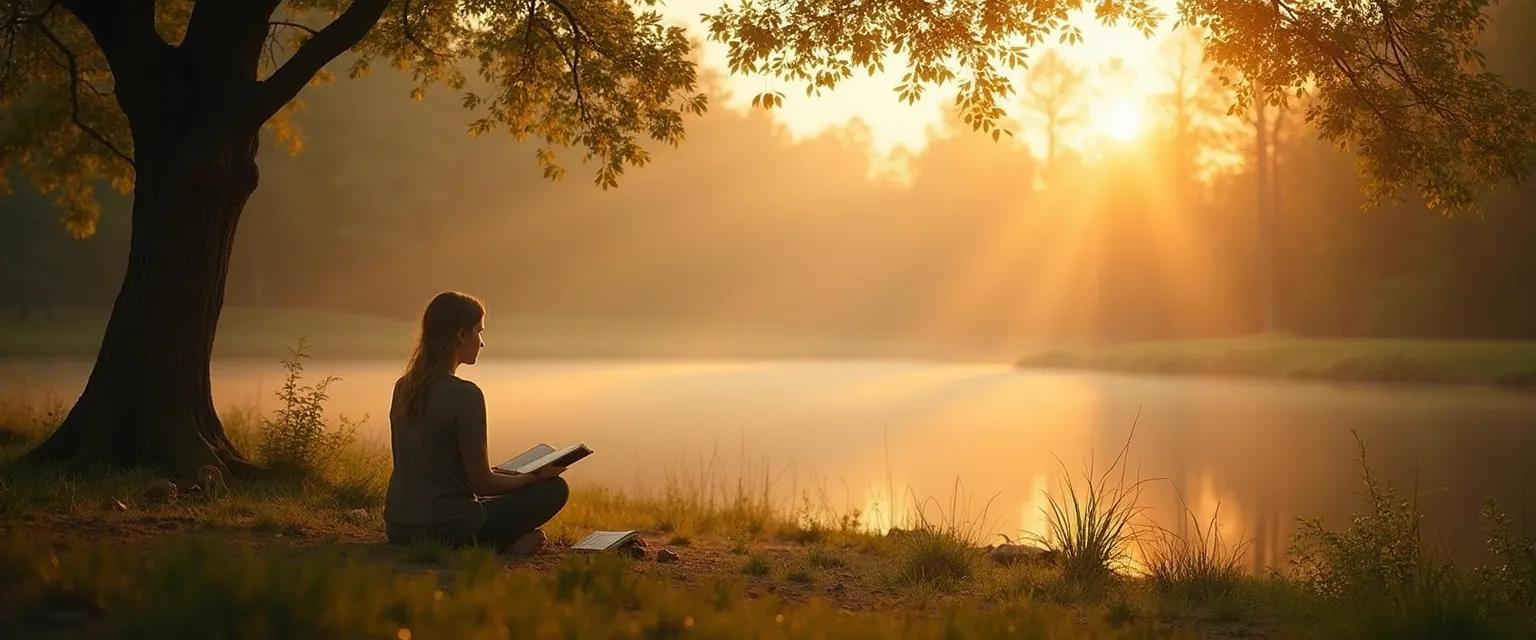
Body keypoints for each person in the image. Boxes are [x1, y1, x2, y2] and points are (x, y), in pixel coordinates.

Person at [384, 291, 568, 554]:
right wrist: (535, 477)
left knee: (484, 499)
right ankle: (502, 547)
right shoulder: (466, 395)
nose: (482, 343)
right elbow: (483, 484)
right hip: (448, 526)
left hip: (399, 526)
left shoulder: (403, 388)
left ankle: (501, 541)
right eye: (479, 332)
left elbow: (441, 471)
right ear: (461, 334)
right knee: (554, 490)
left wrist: (514, 475)